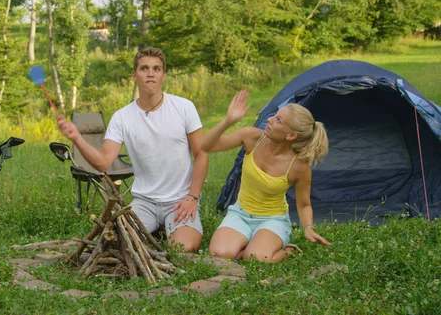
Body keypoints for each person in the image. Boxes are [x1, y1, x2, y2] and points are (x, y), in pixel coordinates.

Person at [57, 46, 208, 252]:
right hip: (144, 201)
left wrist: (192, 197)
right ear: (134, 75)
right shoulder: (122, 117)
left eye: (156, 69)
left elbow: (202, 154)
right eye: (144, 68)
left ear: (163, 75)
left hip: (180, 200)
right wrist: (77, 137)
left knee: (182, 248)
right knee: (117, 243)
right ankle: (153, 230)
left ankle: (167, 230)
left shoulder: (184, 107)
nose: (151, 74)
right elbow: (103, 162)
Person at [202, 90, 331, 263]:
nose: (269, 119)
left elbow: (304, 204)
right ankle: (251, 244)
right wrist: (228, 121)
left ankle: (287, 250)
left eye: (278, 120)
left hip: (273, 219)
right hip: (240, 214)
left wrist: (308, 227)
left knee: (256, 258)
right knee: (219, 253)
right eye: (275, 115)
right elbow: (206, 146)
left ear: (291, 135)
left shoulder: (298, 165)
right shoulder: (252, 138)